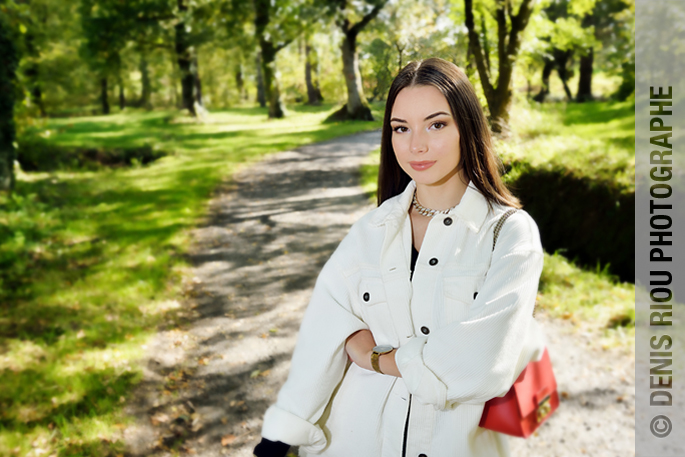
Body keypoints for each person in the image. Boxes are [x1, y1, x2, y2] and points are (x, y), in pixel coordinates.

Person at [253, 57, 546, 457]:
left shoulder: (509, 233)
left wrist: (376, 358)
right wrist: (279, 438)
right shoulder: (370, 231)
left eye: (436, 124)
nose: (416, 145)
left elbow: (482, 361)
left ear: (467, 128)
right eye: (400, 128)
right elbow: (320, 341)